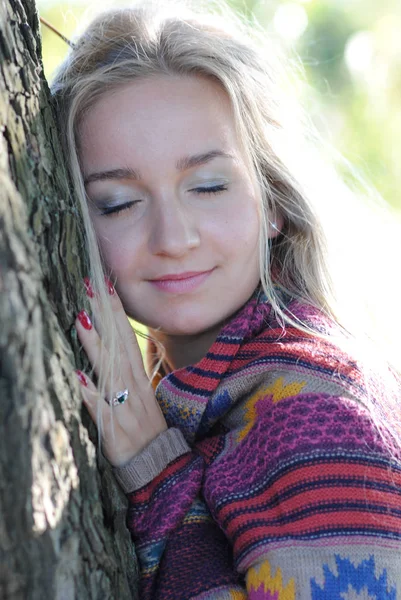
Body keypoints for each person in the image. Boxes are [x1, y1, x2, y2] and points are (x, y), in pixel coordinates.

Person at [51, 2, 401, 598]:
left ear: (275, 202)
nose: (174, 238)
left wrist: (154, 469)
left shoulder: (317, 418)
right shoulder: (198, 388)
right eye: (117, 202)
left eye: (208, 186)